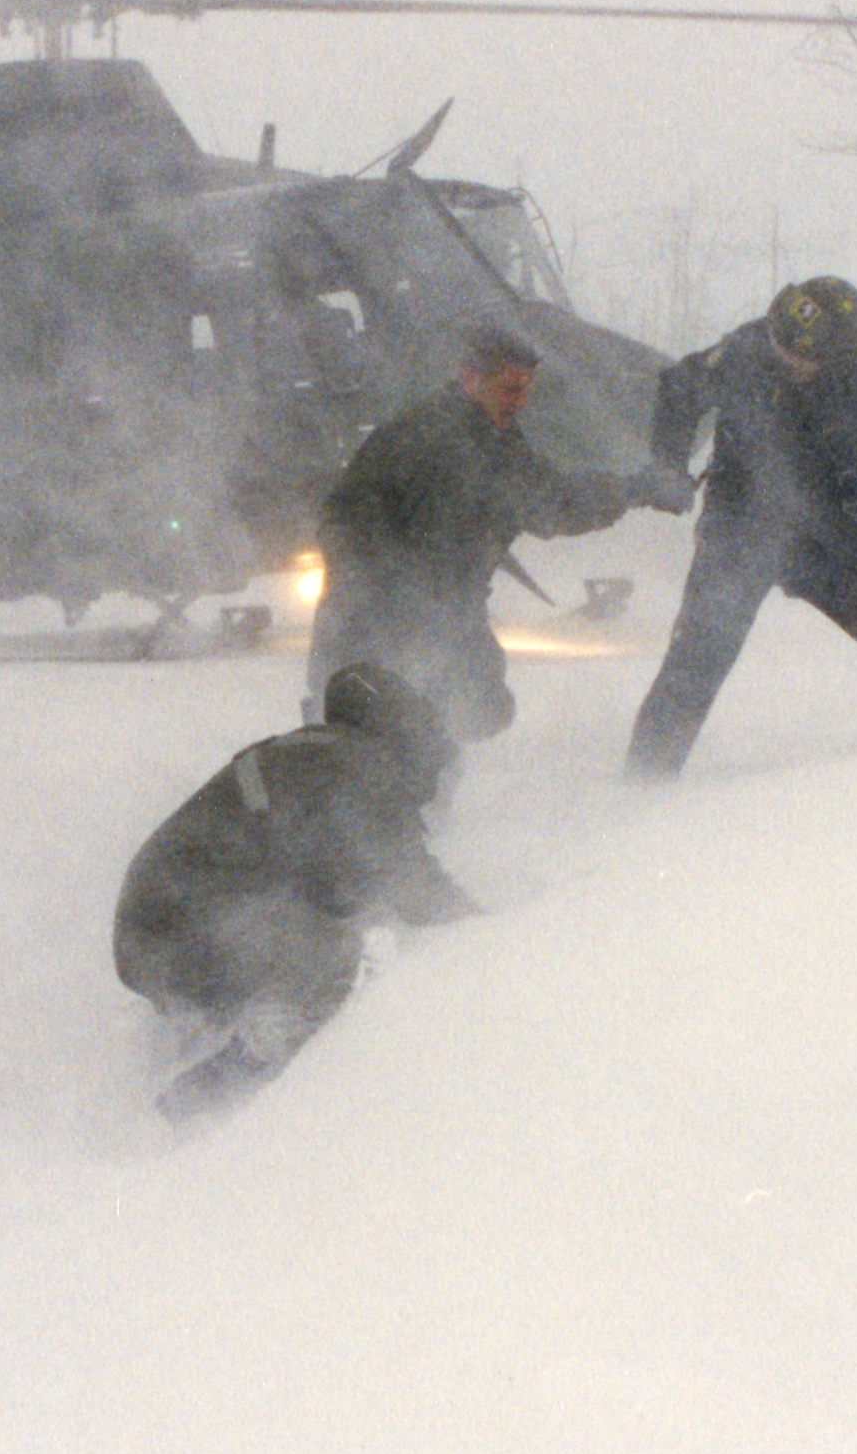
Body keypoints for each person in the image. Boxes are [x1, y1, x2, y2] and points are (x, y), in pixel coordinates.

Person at [624, 276, 857, 778]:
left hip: (830, 537)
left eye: (796, 356)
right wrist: (668, 466)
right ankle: (642, 788)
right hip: (738, 524)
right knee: (695, 661)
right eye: (777, 341)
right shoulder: (749, 345)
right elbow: (679, 388)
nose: (780, 356)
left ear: (840, 360)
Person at [115, 661, 481, 1119]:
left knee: (306, 948)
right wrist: (498, 937)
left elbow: (329, 879)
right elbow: (415, 888)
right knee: (322, 977)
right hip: (194, 923)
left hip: (149, 921)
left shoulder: (307, 754)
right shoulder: (363, 767)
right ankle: (199, 1115)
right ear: (402, 734)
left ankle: (138, 1094)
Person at [306, 323, 644, 743]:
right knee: (388, 734)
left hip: (444, 612)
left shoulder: (493, 437)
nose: (519, 403)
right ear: (470, 377)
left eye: (525, 390)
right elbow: (342, 518)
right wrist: (386, 592)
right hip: (381, 619)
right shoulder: (423, 436)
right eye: (508, 389)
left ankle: (420, 776)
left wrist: (633, 490)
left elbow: (550, 501)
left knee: (476, 708)